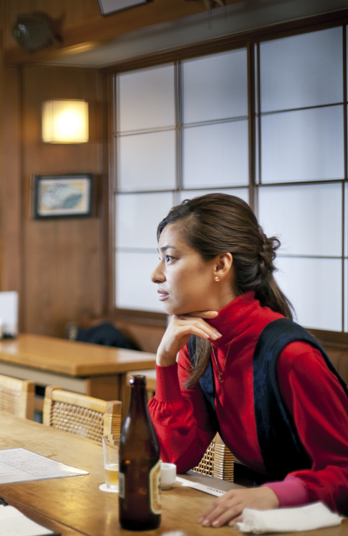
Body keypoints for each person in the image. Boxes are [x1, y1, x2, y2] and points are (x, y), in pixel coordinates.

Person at [148, 193, 348, 527]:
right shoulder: (196, 345)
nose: (156, 275)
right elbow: (174, 458)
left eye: (169, 258)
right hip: (260, 518)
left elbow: (344, 471)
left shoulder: (293, 356)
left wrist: (274, 494)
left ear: (220, 265)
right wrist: (165, 361)